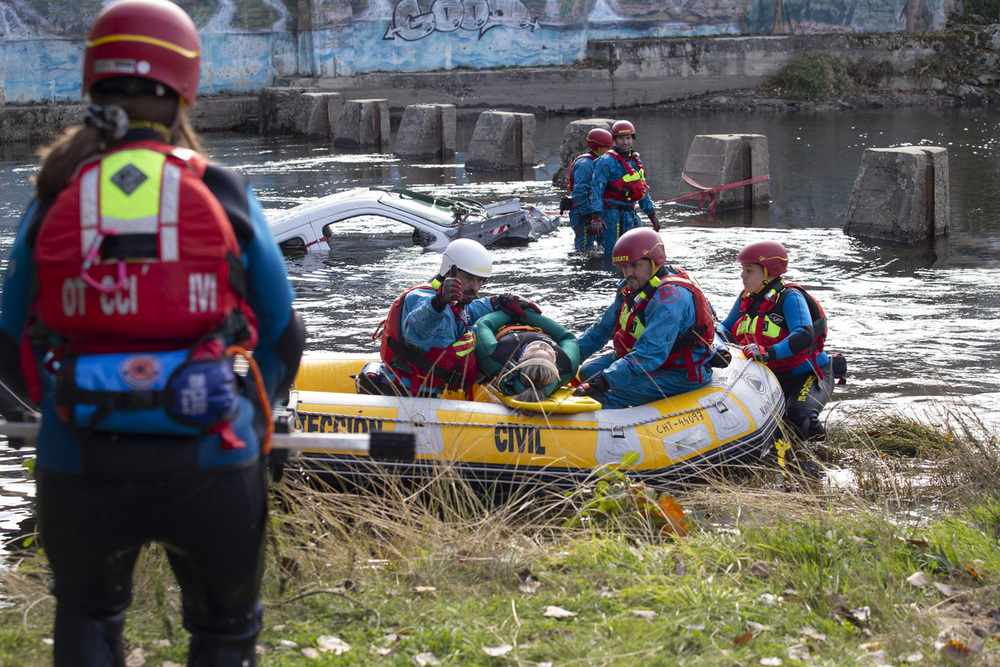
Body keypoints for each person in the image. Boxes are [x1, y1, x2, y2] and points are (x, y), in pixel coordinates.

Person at [0, 1, 306, 664]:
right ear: (185, 89)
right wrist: (257, 414)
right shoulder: (222, 189)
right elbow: (284, 334)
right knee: (224, 632)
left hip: (80, 459)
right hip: (211, 458)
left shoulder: (54, 194)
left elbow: (8, 337)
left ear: (92, 83)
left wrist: (52, 398)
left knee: (87, 614)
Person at [376, 238, 540, 398]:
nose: (475, 287)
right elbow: (416, 335)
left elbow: (469, 311)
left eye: (480, 280)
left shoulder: (456, 301)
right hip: (405, 394)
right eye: (469, 278)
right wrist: (438, 303)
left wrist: (500, 301)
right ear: (449, 273)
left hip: (428, 392)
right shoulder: (423, 300)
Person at [574, 227, 716, 408]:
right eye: (624, 267)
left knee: (607, 391)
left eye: (635, 265)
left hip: (680, 372)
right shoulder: (629, 287)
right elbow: (602, 328)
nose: (628, 273)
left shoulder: (670, 297)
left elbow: (651, 352)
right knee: (588, 371)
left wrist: (606, 382)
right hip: (653, 363)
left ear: (655, 262)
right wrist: (569, 357)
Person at [720, 240, 835, 441]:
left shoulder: (790, 297)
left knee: (800, 416)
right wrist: (715, 336)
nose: (742, 275)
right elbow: (727, 326)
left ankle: (820, 460)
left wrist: (768, 352)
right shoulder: (747, 297)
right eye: (742, 269)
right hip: (772, 375)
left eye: (749, 270)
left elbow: (803, 335)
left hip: (807, 374)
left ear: (768, 272)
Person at [587, 120, 660, 256]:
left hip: (631, 214)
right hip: (612, 215)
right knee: (614, 254)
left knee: (641, 251)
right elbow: (596, 189)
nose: (625, 142)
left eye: (628, 138)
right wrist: (596, 216)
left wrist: (651, 214)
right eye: (621, 138)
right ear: (614, 140)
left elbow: (642, 189)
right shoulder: (606, 161)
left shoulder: (636, 160)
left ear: (633, 139)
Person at [474, 309, 580, 402]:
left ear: (521, 359)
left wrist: (509, 313)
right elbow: (568, 337)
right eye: (550, 352)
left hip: (500, 322)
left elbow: (482, 324)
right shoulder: (567, 367)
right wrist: (527, 314)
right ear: (556, 365)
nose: (543, 344)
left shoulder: (495, 356)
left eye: (535, 349)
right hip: (531, 321)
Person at [565, 128, 613, 251]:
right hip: (583, 214)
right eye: (607, 148)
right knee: (584, 249)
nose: (610, 151)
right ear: (597, 148)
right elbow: (580, 193)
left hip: (598, 214)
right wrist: (589, 216)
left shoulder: (602, 162)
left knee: (607, 244)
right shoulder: (585, 164)